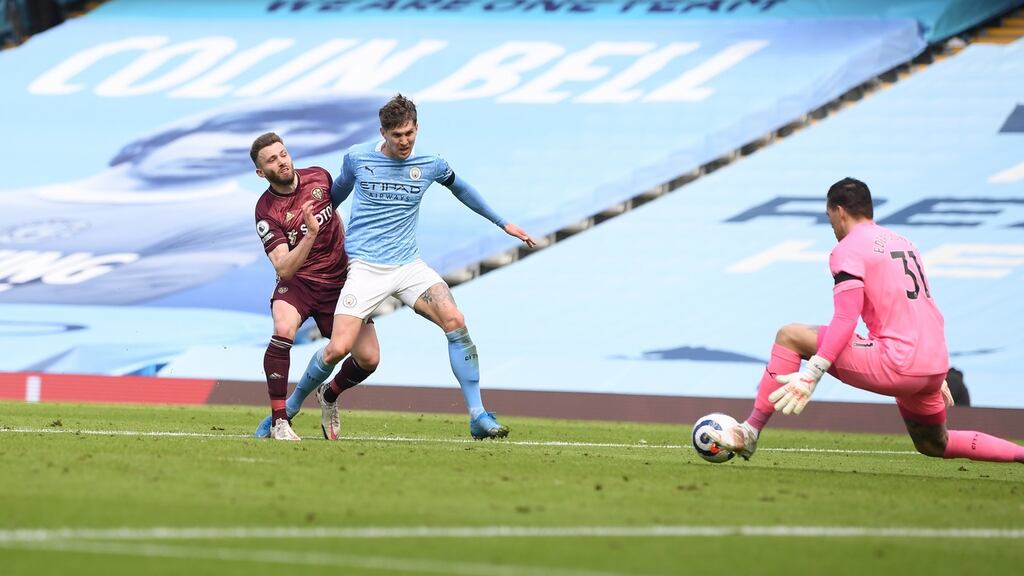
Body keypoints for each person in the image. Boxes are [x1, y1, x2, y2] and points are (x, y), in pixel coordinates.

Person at [710, 177, 1024, 463]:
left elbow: (845, 319)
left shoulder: (847, 249)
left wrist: (813, 372)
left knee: (789, 336)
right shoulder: (904, 243)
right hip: (934, 364)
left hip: (898, 363)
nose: (832, 226)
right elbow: (921, 307)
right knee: (933, 443)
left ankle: (749, 431)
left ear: (839, 212)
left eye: (829, 218)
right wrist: (933, 370)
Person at [300, 93, 535, 440]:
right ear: (383, 132)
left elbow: (462, 189)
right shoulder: (357, 158)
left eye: (409, 133)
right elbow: (336, 196)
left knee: (455, 320)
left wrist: (503, 223)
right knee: (338, 349)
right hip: (366, 267)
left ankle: (477, 415)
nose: (404, 141)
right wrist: (308, 231)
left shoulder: (431, 163)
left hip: (408, 265)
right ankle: (286, 412)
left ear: (417, 128)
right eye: (397, 135)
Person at [250, 132, 381, 441]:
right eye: (271, 160)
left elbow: (340, 206)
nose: (281, 162)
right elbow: (284, 268)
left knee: (369, 358)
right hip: (299, 284)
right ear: (261, 172)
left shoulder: (319, 176)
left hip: (340, 283)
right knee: (283, 328)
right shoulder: (266, 211)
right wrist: (310, 234)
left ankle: (329, 393)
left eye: (283, 154)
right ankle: (280, 421)